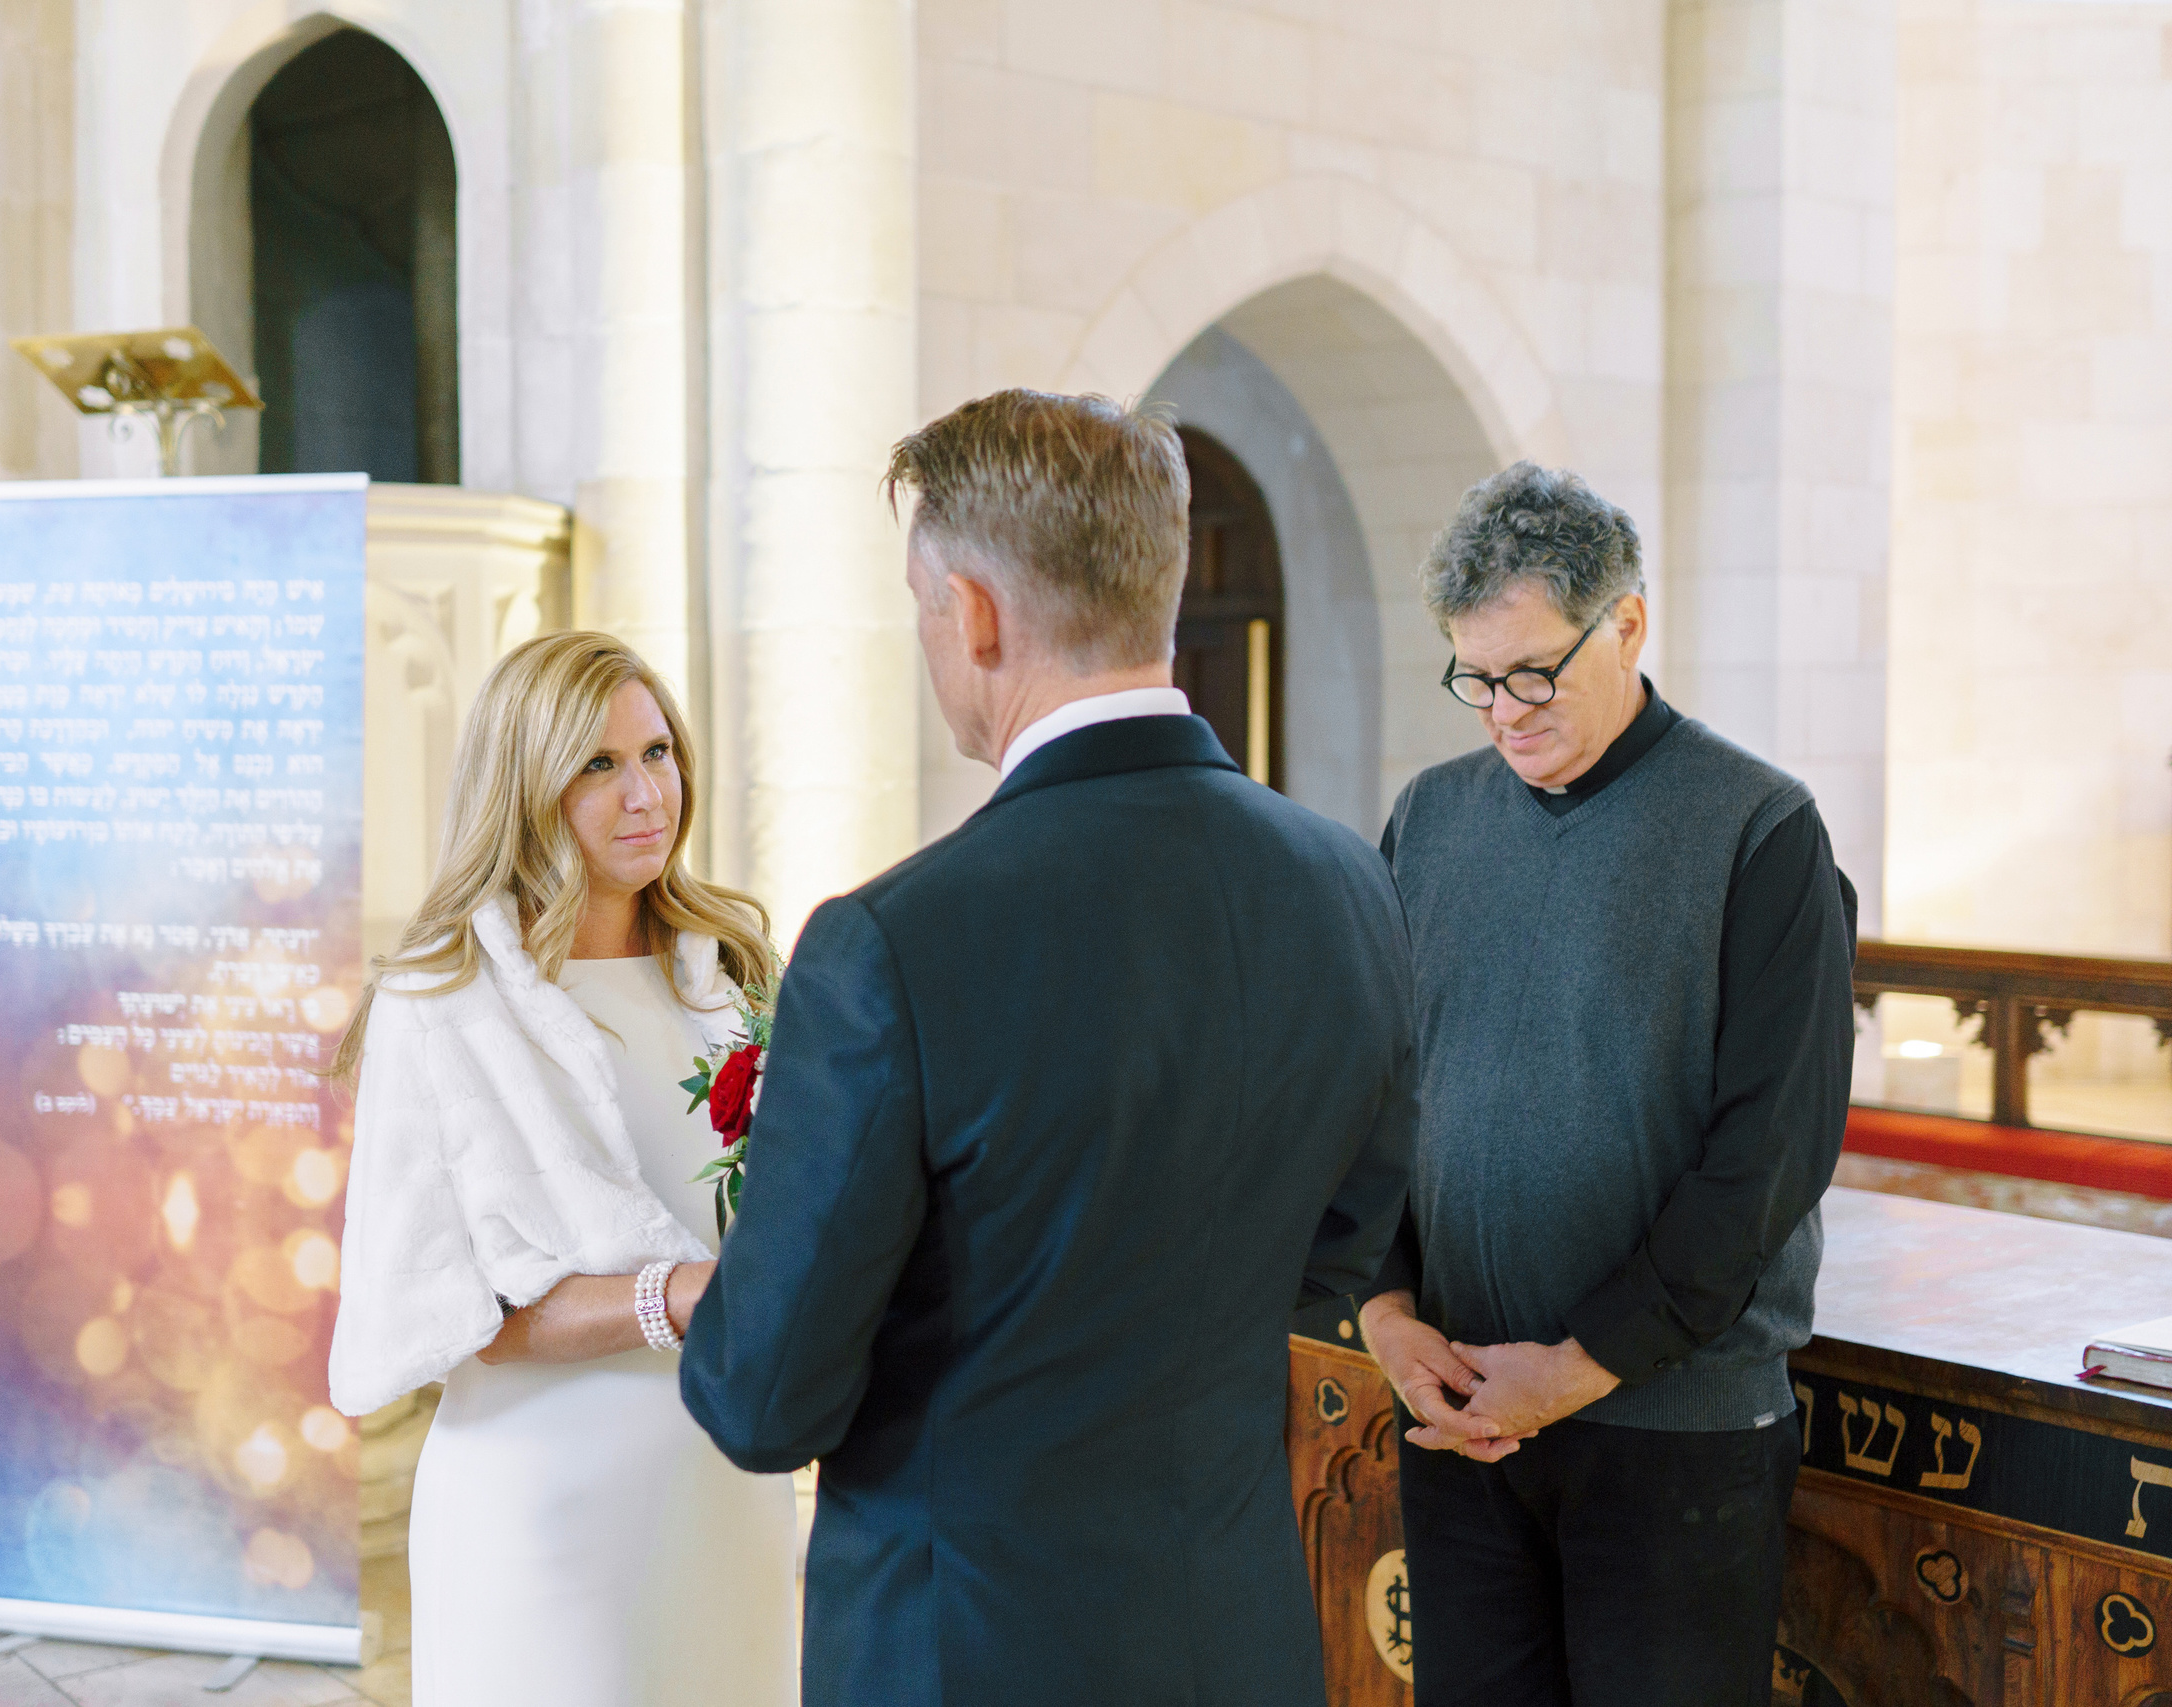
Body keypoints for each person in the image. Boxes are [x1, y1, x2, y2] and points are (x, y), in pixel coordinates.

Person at [678, 390, 1420, 1705]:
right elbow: (1338, 1250)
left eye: (921, 608)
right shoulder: (1347, 884)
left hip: (968, 1648)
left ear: (973, 613)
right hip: (1235, 1633)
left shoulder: (892, 942)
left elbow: (764, 1396)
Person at [1357, 462, 1855, 1704]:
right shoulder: (1430, 817)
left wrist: (1580, 1363)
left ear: (1625, 624)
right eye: (1474, 678)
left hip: (1673, 1435)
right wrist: (1385, 1308)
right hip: (1464, 1416)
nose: (1503, 713)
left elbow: (1769, 1157)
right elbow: (1375, 1091)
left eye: (1533, 672)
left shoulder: (1757, 827)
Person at [326, 632, 797, 1707]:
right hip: (541, 1509)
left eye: (657, 752)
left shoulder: (732, 969)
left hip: (727, 1489)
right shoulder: (440, 1002)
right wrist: (687, 1293)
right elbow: (453, 1312)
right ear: (525, 787)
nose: (646, 794)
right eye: (598, 765)